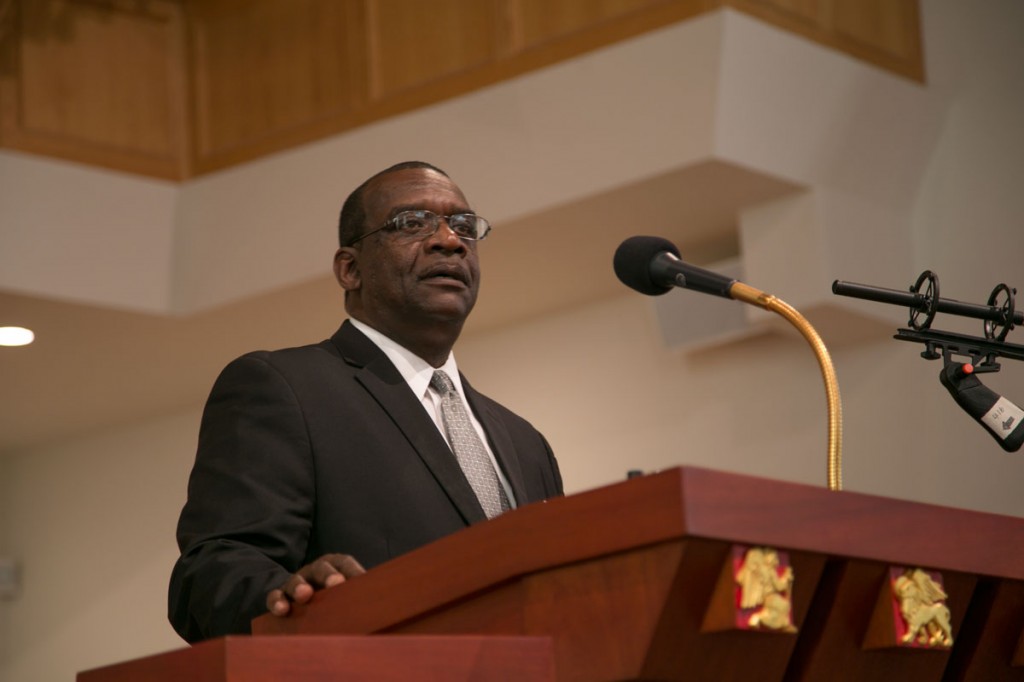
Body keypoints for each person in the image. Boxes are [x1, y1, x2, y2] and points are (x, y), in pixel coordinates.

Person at [168, 161, 564, 643]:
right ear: (349, 269)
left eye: (464, 226)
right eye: (412, 223)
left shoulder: (526, 443)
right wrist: (292, 597)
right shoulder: (283, 388)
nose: (450, 240)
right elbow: (210, 574)